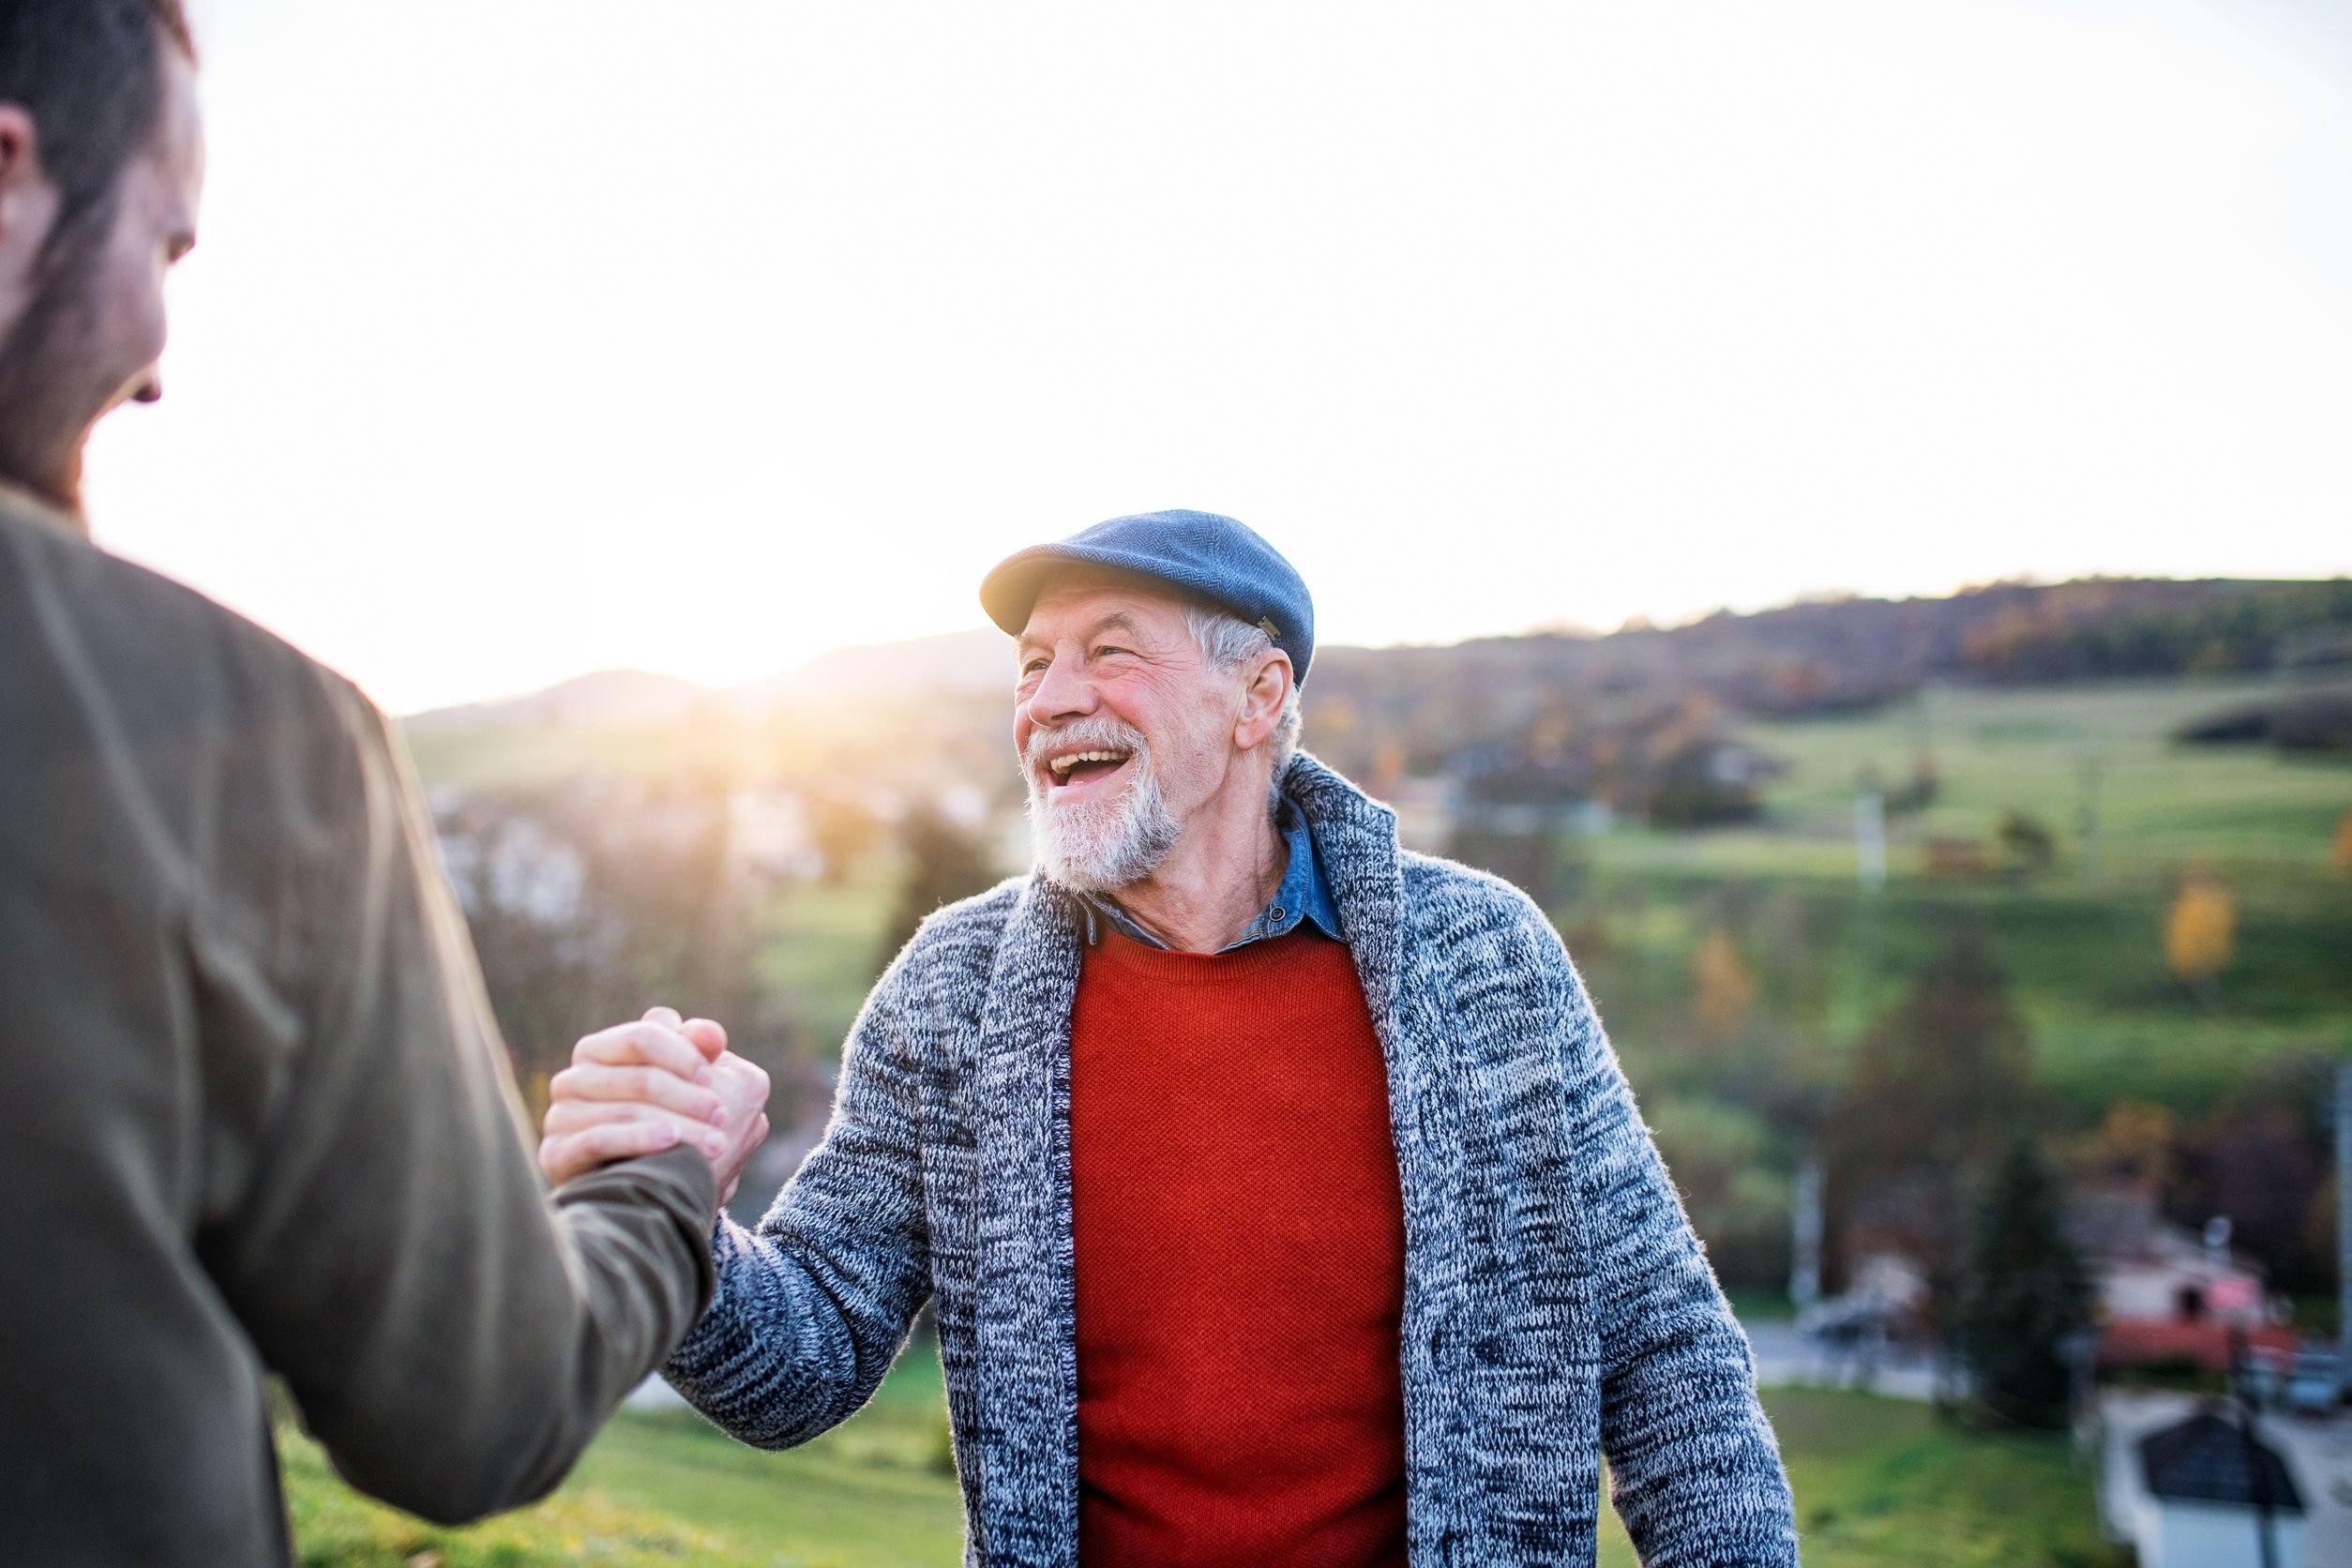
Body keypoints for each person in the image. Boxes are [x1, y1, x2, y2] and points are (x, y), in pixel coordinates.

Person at [550, 509, 1801, 1565]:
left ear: (1258, 697)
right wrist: (679, 1217)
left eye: (1110, 651)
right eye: (1032, 665)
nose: (1052, 699)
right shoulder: (955, 992)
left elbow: (1667, 1353)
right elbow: (806, 1360)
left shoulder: (1481, 960)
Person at [0, 4, 771, 1562]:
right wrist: (666, 1182)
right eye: (162, 251)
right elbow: (473, 1407)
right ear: (9, 187)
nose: (154, 367)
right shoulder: (233, 739)